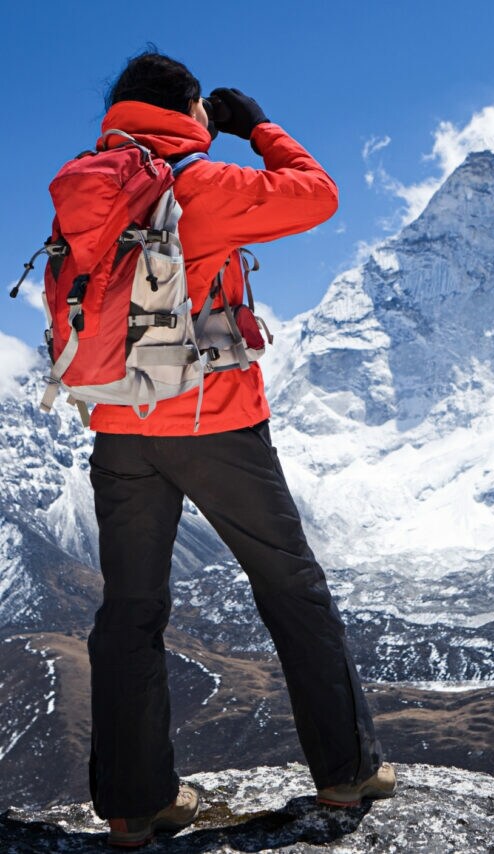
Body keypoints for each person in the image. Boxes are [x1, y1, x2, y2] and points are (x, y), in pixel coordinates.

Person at [86, 50, 396, 848]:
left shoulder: (87, 186)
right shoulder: (198, 185)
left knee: (129, 613)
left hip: (120, 426)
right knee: (293, 590)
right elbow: (319, 195)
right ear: (192, 109)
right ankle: (347, 771)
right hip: (212, 422)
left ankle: (135, 804)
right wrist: (257, 127)